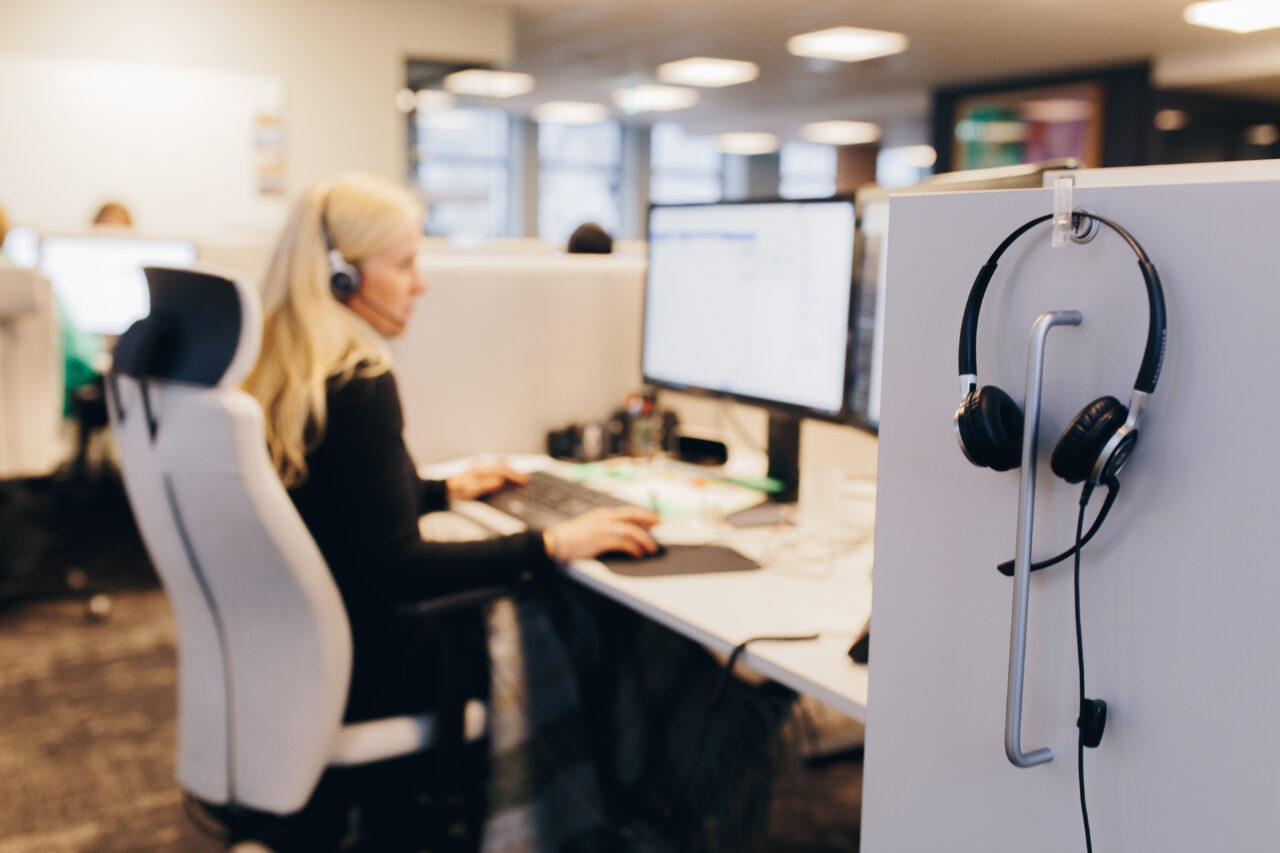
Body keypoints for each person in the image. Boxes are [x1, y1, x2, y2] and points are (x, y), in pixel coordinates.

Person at [243, 170, 659, 721]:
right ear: (342, 276)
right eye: (404, 264)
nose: (422, 283)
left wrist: (440, 491)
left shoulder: (285, 372)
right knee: (590, 617)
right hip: (379, 667)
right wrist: (552, 542)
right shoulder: (357, 383)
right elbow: (397, 567)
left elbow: (337, 508)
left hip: (298, 653)